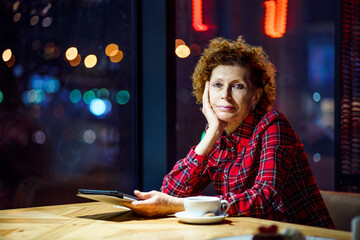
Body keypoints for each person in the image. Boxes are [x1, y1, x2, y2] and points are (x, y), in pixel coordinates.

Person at [122, 36, 335, 229]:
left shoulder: (273, 125)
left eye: (237, 86)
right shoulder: (216, 134)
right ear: (206, 91)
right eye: (217, 85)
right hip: (249, 234)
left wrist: (178, 205)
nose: (225, 95)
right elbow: (171, 191)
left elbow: (265, 198)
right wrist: (212, 133)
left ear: (255, 96)